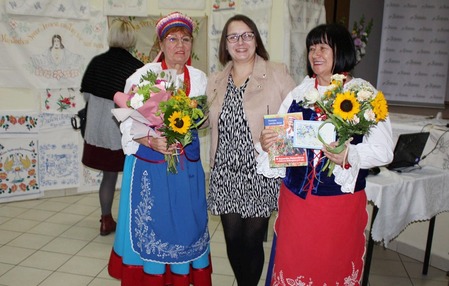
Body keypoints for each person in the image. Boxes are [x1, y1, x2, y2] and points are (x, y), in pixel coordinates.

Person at [260, 23, 394, 285]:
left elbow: (384, 150)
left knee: (331, 267)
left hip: (338, 204)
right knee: (295, 265)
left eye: (323, 47)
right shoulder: (299, 93)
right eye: (311, 48)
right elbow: (280, 141)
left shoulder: (363, 93)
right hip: (296, 202)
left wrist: (349, 154)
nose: (315, 54)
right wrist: (269, 142)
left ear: (340, 51)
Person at [108, 12, 212, 286]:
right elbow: (127, 123)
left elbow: (203, 118)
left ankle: (180, 277)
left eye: (186, 39)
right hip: (150, 166)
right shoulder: (143, 77)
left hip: (186, 166)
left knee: (186, 226)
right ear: (161, 44)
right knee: (155, 225)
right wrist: (150, 140)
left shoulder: (200, 79)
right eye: (173, 39)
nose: (180, 45)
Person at [206, 14, 296, 286]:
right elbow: (203, 120)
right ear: (225, 44)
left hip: (260, 172)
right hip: (224, 172)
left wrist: (278, 141)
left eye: (247, 35)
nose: (240, 42)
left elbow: (297, 116)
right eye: (233, 37)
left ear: (256, 40)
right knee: (232, 240)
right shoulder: (215, 81)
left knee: (252, 240)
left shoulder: (277, 72)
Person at [80, 19, 143, 236]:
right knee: (133, 177)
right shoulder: (136, 67)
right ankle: (131, 222)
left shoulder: (97, 62)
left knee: (108, 176)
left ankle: (106, 220)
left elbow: (86, 95)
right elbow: (142, 104)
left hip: (98, 129)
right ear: (131, 39)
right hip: (122, 130)